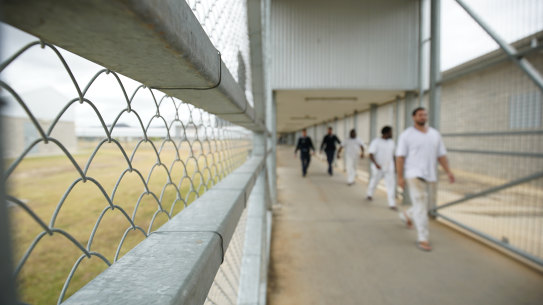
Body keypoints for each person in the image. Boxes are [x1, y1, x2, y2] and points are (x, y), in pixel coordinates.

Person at [396, 107, 455, 252]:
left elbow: (441, 155)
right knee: (422, 205)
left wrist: (448, 171)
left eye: (425, 114)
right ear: (413, 117)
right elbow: (400, 157)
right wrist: (399, 177)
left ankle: (407, 214)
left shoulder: (434, 134)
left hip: (429, 175)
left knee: (422, 205)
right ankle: (423, 238)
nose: (423, 117)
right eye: (420, 115)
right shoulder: (406, 135)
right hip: (413, 174)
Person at [366, 126, 397, 210]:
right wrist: (376, 164)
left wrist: (396, 167)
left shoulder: (392, 142)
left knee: (391, 185)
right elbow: (371, 154)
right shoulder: (376, 142)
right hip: (378, 167)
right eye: (391, 132)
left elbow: (393, 155)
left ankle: (392, 203)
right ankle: (369, 194)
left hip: (389, 167)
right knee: (374, 181)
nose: (392, 134)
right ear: (386, 133)